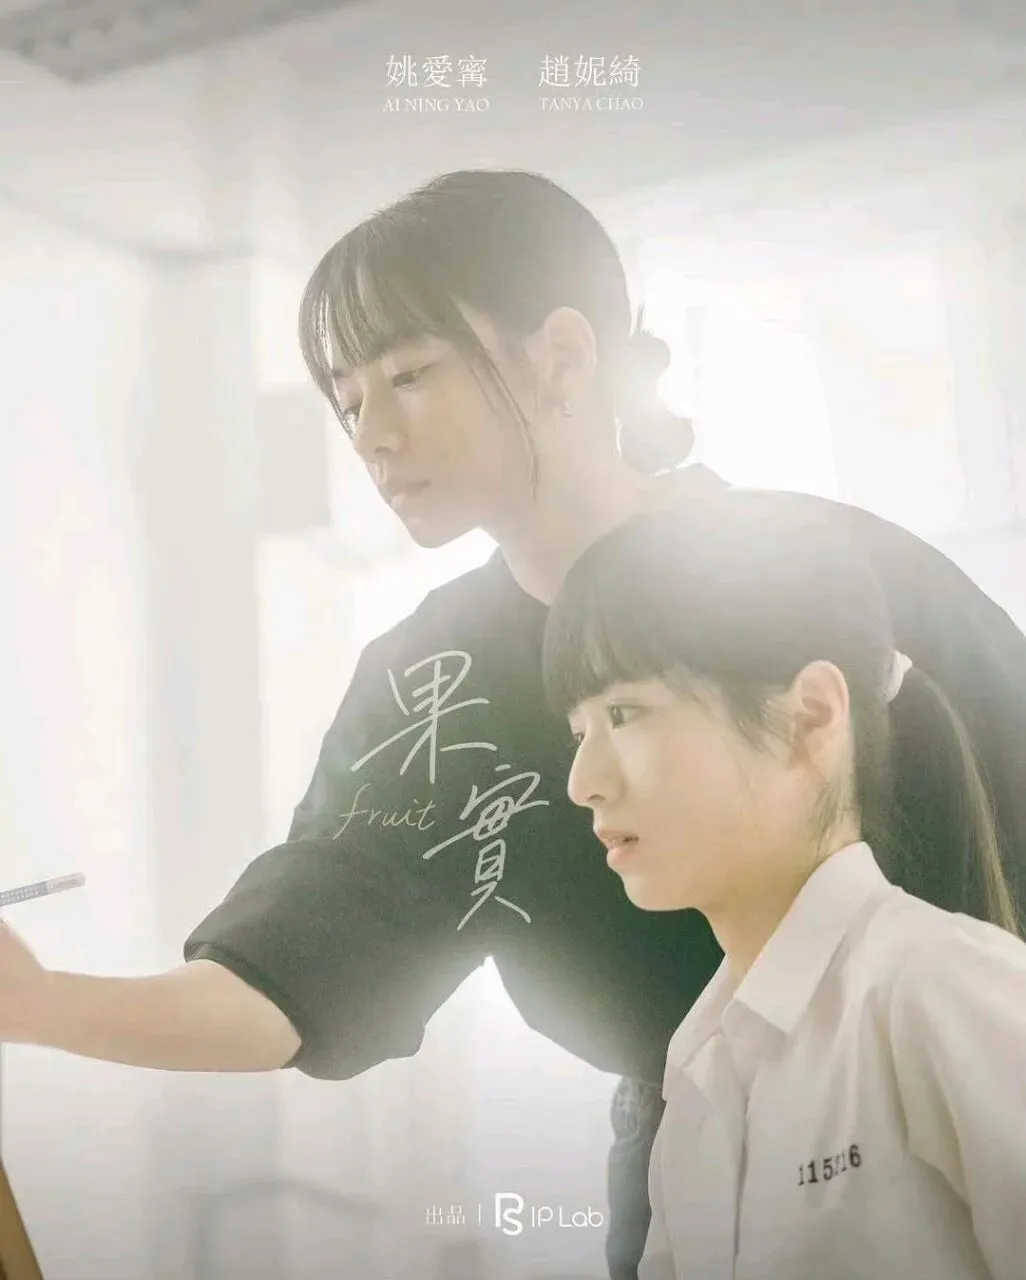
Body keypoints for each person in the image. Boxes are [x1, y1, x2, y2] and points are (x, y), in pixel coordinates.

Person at [1, 168, 1025, 1280]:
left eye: (409, 374)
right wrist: (37, 1002)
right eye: (347, 401)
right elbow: (297, 969)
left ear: (564, 357)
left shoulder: (834, 573)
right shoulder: (430, 682)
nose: (372, 434)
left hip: (935, 1069)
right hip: (690, 1113)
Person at [542, 492, 1026, 1279]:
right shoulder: (697, 1068)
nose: (582, 781)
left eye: (625, 713)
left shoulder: (941, 990)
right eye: (578, 731)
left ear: (809, 717)